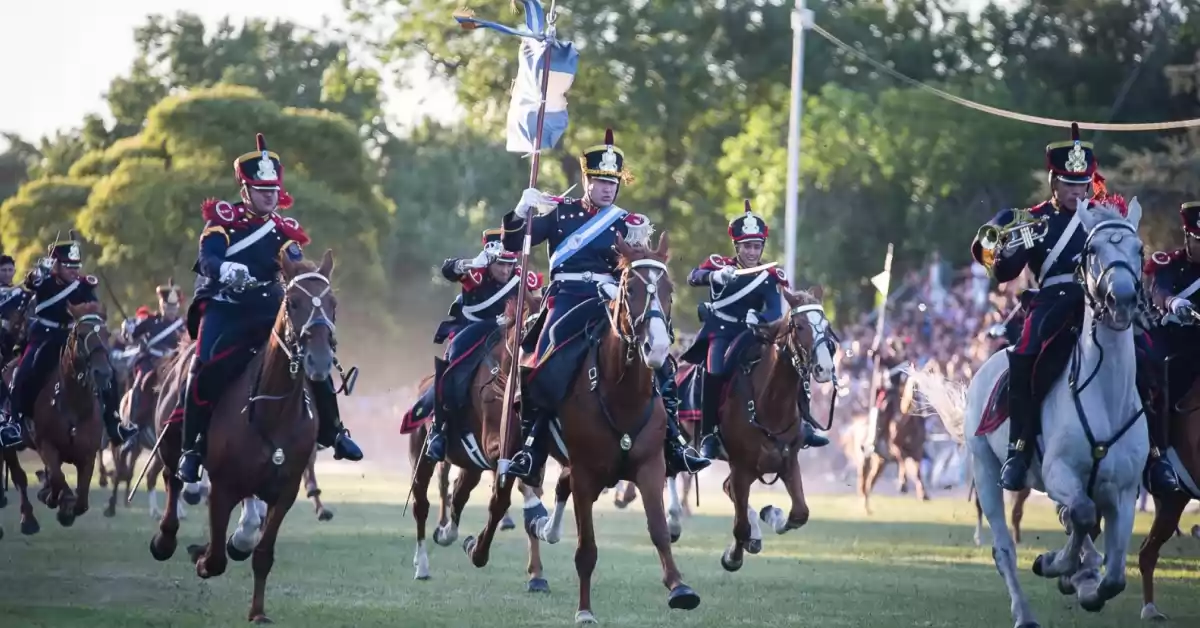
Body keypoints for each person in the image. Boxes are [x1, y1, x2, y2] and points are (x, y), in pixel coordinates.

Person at [502, 128, 710, 484]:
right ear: (586, 179)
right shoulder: (559, 212)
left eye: (612, 181)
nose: (607, 187)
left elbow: (642, 269)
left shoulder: (626, 221)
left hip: (612, 302)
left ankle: (674, 440)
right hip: (567, 300)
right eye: (600, 180)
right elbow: (514, 243)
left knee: (657, 359)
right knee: (546, 362)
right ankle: (532, 447)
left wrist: (639, 248)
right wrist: (520, 213)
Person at [174, 132, 362, 483]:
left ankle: (335, 432)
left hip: (267, 310)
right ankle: (192, 448)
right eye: (262, 191)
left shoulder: (284, 231)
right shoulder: (223, 220)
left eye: (274, 190)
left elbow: (293, 264)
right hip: (226, 309)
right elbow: (208, 257)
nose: (270, 196)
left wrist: (309, 279)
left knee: (310, 353)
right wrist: (227, 269)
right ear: (246, 191)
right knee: (203, 368)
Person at [970, 122, 1115, 491]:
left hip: (1098, 305)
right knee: (1023, 359)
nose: (1076, 191)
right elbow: (1000, 269)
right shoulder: (1032, 220)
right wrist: (1009, 251)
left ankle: (1156, 454)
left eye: (1082, 183)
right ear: (1054, 182)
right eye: (1068, 183)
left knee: (1146, 357)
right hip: (1052, 304)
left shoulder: (1103, 216)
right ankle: (1018, 449)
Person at [682, 201, 828, 459]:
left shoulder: (770, 275)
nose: (752, 251)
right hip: (721, 331)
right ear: (736, 246)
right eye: (746, 246)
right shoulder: (719, 264)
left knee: (792, 362)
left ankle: (803, 422)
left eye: (756, 246)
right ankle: (708, 434)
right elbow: (693, 277)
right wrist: (713, 277)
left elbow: (773, 309)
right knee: (714, 369)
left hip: (753, 333)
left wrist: (759, 318)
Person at [0, 241, 138, 450]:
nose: (74, 271)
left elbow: (94, 309)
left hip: (73, 335)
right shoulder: (44, 281)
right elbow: (31, 282)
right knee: (25, 370)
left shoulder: (84, 285)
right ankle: (15, 423)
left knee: (104, 368)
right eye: (68, 266)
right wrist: (40, 271)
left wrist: (123, 323)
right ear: (56, 265)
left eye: (76, 266)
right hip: (45, 335)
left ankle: (113, 422)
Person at [424, 228, 537, 462]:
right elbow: (448, 269)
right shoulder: (474, 273)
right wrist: (472, 263)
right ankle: (438, 429)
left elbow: (534, 302)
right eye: (500, 265)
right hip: (472, 330)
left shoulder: (521, 277)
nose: (506, 270)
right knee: (453, 362)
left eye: (509, 265)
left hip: (508, 333)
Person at [1132, 201, 1200, 496]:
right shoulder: (1169, 263)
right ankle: (1156, 454)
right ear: (1188, 237)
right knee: (1154, 376)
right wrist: (1173, 302)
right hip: (1168, 341)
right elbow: (1159, 289)